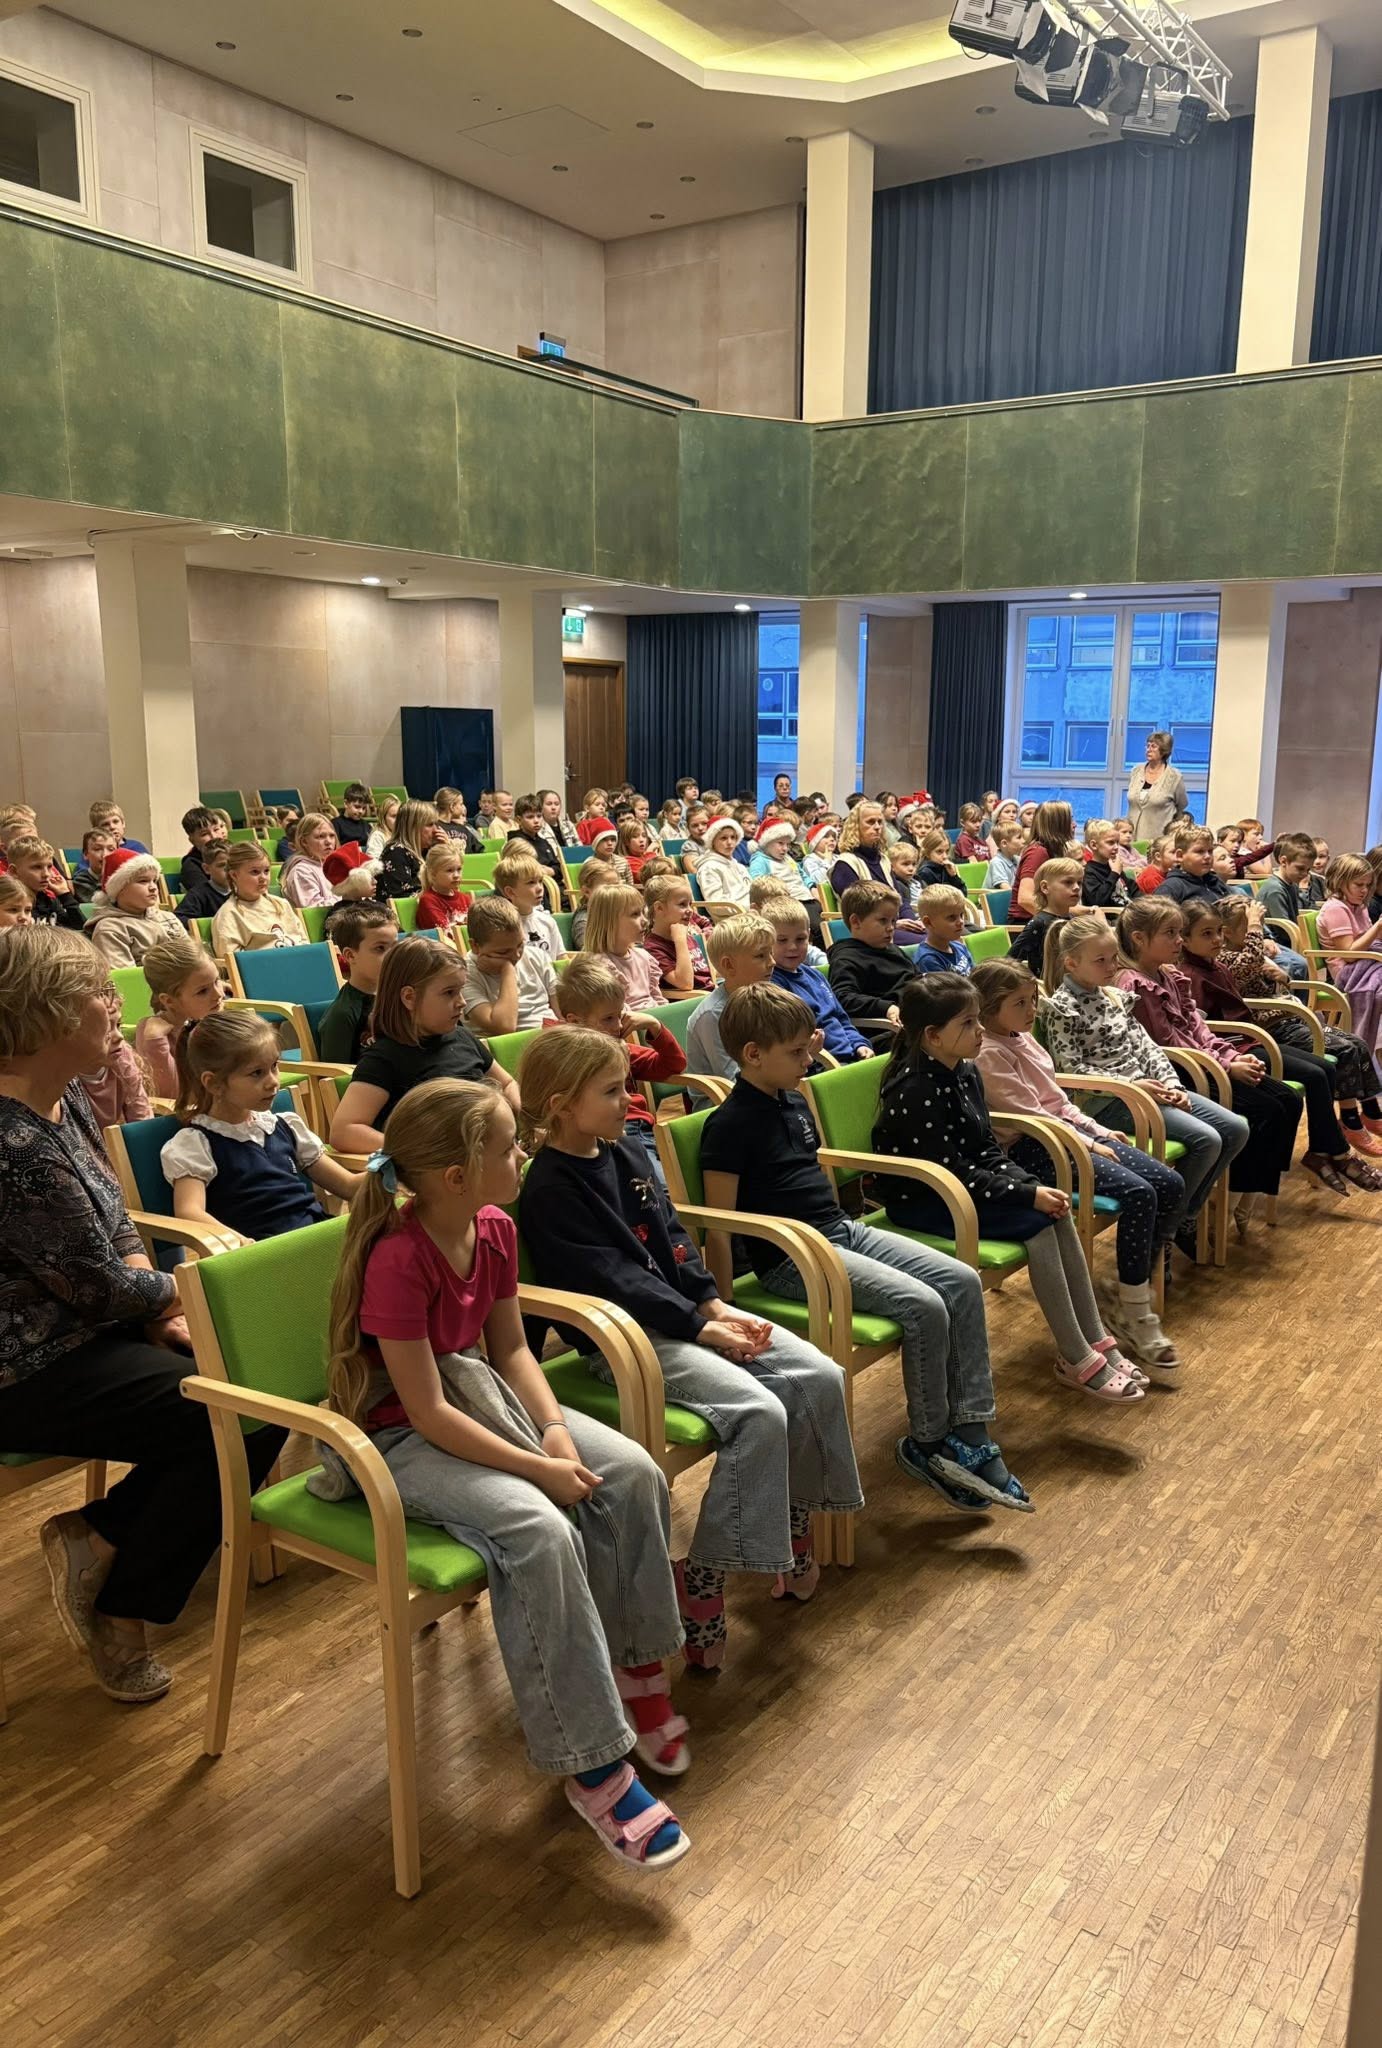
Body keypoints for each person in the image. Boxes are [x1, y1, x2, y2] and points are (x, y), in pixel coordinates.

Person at [318, 1076, 692, 1865]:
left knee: (632, 1473)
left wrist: (553, 1432)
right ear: (458, 1175)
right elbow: (425, 1413)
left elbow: (513, 1350)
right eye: (507, 1147)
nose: (522, 1153)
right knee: (539, 1529)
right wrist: (537, 1469)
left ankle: (636, 1668)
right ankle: (592, 1765)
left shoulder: (492, 1226)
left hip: (479, 1402)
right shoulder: (397, 1257)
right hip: (397, 1439)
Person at [518, 1026, 862, 1670]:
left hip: (683, 1319)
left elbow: (672, 1234)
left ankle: (788, 1521)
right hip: (625, 1342)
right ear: (561, 1105)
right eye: (612, 1091)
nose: (630, 1101)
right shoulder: (550, 1187)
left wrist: (714, 1304)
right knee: (758, 1412)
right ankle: (705, 1573)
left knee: (819, 1374)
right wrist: (701, 1327)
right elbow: (612, 1281)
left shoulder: (624, 1151)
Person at [0, 927, 285, 1702]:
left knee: (260, 1391)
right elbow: (94, 1287)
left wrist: (154, 1304)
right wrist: (173, 1295)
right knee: (231, 1412)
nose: (115, 1003)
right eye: (98, 993)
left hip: (91, 1325)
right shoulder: (11, 1144)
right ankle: (121, 1604)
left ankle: (99, 1540)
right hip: (27, 1364)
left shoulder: (62, 1094)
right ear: (48, 1015)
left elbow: (115, 1223)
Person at [702, 983, 1030, 1509]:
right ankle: (928, 1443)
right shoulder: (728, 1125)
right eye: (796, 1052)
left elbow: (816, 1184)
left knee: (962, 1280)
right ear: (753, 1055)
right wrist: (724, 1309)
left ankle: (970, 1428)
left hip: (839, 1231)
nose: (808, 1060)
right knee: (924, 1306)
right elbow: (718, 1226)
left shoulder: (793, 1101)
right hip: (794, 1259)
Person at [872, 974, 1143, 1404]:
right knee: (1037, 1223)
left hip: (963, 1187)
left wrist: (1030, 1186)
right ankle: (1075, 1356)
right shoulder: (915, 1089)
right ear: (933, 1036)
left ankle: (1097, 1338)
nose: (980, 1030)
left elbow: (985, 1148)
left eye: (978, 1019)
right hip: (928, 1198)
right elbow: (953, 1170)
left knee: (1055, 1212)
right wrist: (1025, 1195)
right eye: (967, 1023)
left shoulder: (964, 1070)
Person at [972, 959, 1184, 1375]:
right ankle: (1135, 1311)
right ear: (989, 1007)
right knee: (1140, 1193)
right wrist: (1089, 1142)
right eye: (1020, 1003)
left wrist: (1097, 1129)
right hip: (1034, 1148)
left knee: (1170, 1183)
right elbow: (1032, 1115)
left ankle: (1128, 1286)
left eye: (1033, 999)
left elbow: (1058, 1101)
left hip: (1065, 1134)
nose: (1033, 1010)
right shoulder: (988, 1054)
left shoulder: (1023, 1038)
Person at [1041, 915, 1246, 1257]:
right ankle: (1166, 1232)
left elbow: (1147, 1048)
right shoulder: (1062, 1008)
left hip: (1147, 1092)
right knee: (1207, 1140)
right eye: (1101, 961)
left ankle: (1180, 1217)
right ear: (1071, 963)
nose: (1112, 967)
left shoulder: (1114, 997)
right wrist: (1134, 1085)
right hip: (1109, 1102)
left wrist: (1170, 1082)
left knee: (1236, 1128)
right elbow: (1071, 1069)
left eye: (1113, 958)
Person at [1114, 897, 1301, 1237]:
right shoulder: (1133, 985)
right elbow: (1168, 1043)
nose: (1179, 941)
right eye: (1171, 933)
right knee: (1265, 1111)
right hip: (1179, 1071)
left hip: (1202, 1063)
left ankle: (1238, 1202)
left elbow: (1197, 1028)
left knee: (1286, 1098)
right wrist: (1226, 1066)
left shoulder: (1167, 974)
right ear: (1139, 939)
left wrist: (1230, 1056)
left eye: (1179, 932)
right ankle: (1207, 1213)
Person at [1179, 900, 1382, 1194]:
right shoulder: (1195, 971)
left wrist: (1279, 977)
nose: (1217, 939)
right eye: (1207, 934)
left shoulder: (1216, 964)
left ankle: (1326, 1148)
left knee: (1327, 1067)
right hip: (1242, 1040)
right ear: (1185, 940)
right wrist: (1255, 929)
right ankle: (1338, 1150)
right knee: (1315, 1074)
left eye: (1219, 932)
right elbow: (1201, 1025)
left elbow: (1259, 983)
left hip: (1254, 1035)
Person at [162, 1012, 361, 1244]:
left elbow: (347, 1185)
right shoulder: (196, 1144)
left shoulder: (285, 1127)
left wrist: (390, 1165)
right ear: (214, 1083)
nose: (273, 1081)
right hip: (263, 1252)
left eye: (274, 1066)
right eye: (257, 1073)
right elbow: (189, 1211)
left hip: (317, 1238)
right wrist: (239, 1242)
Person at [330, 936, 520, 1153]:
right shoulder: (384, 1058)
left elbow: (507, 1083)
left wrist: (517, 1113)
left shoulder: (461, 1036)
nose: (462, 1002)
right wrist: (421, 1150)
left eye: (461, 990)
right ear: (409, 997)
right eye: (449, 993)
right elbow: (344, 1131)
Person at [551, 955, 686, 1178]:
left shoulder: (622, 1048)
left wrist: (654, 1025)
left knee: (663, 1185)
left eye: (620, 1015)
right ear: (575, 1022)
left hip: (636, 1129)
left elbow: (674, 1065)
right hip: (594, 1137)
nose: (619, 1025)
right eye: (608, 1019)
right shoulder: (561, 1058)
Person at [766, 898, 870, 1061]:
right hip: (820, 1064)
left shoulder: (816, 976)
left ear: (809, 936)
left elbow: (842, 1019)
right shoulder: (772, 985)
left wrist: (860, 1044)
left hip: (852, 1055)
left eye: (800, 939)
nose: (792, 947)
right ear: (767, 940)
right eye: (782, 940)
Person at [685, 914, 775, 1080]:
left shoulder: (766, 996)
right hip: (726, 1094)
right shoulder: (713, 1015)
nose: (772, 962)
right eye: (760, 956)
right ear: (729, 965)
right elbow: (731, 1078)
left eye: (771, 953)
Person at [135, 935, 224, 1098]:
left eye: (217, 981)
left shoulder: (209, 1019)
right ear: (169, 1000)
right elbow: (172, 1095)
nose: (218, 994)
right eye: (203, 991)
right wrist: (155, 1042)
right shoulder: (152, 1035)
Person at [826, 882, 915, 1044]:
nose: (891, 928)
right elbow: (843, 997)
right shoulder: (846, 958)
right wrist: (886, 1007)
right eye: (883, 921)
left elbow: (916, 978)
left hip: (915, 1017)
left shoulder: (894, 950)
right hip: (887, 1031)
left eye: (893, 921)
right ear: (856, 922)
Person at [317, 902, 400, 1064]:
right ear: (350, 955)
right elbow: (336, 1074)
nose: (392, 956)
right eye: (380, 948)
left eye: (395, 947)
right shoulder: (343, 1014)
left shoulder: (402, 996)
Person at [463, 896, 559, 1034]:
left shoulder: (536, 956)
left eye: (520, 945)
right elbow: (505, 1026)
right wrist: (508, 970)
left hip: (551, 1037)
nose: (517, 955)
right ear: (475, 946)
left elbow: (561, 1013)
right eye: (503, 952)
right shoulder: (464, 975)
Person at [1317, 853, 1382, 1053]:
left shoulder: (1358, 905)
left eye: (1367, 885)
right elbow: (1349, 954)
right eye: (1358, 885)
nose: (1364, 890)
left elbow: (1370, 942)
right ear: (1340, 882)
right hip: (1348, 972)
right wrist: (1378, 926)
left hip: (1365, 963)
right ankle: (1374, 1051)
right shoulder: (1335, 909)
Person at [86, 851, 185, 967]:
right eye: (143, 881)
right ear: (119, 889)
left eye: (154, 881)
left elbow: (193, 960)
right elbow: (125, 975)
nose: (153, 887)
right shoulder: (110, 929)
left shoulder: (168, 917)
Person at [212, 843, 309, 958]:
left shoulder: (282, 904)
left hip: (297, 961)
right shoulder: (228, 914)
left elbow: (304, 942)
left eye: (266, 871)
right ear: (234, 875)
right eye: (255, 872)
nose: (263, 878)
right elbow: (231, 960)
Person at [77, 979, 152, 1129]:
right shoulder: (66, 1074)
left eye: (118, 1025)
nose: (119, 1036)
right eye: (105, 1029)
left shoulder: (122, 1055)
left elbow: (142, 1120)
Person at [580, 882, 662, 1010]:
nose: (645, 921)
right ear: (609, 922)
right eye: (635, 914)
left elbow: (657, 999)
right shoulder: (599, 966)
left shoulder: (644, 957)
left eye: (642, 912)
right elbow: (612, 1015)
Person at [643, 872, 712, 996]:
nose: (690, 910)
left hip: (711, 993)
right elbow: (686, 984)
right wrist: (680, 941)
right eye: (682, 904)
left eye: (690, 904)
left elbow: (710, 975)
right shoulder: (653, 947)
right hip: (693, 1000)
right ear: (659, 908)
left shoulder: (687, 935)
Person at [1009, 857, 1084, 971]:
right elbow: (1010, 961)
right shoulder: (1038, 924)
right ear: (1045, 887)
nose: (1077, 887)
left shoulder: (1072, 919)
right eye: (1068, 882)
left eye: (1079, 882)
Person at [493, 849, 567, 963]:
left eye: (540, 881)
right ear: (510, 892)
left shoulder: (548, 921)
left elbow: (561, 958)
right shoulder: (502, 927)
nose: (540, 888)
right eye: (531, 882)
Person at [1011, 801, 1075, 925]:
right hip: (1027, 925)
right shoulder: (1037, 853)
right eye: (1070, 820)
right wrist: (1059, 922)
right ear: (1058, 824)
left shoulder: (1051, 851)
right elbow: (1025, 899)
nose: (1074, 824)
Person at [4, 833, 84, 930]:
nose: (46, 874)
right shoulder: (6, 903)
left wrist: (65, 894)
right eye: (37, 867)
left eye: (49, 867)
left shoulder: (48, 900)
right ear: (14, 871)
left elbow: (79, 928)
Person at [508, 794, 574, 906]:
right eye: (530, 817)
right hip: (536, 890)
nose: (536, 821)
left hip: (554, 887)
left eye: (539, 816)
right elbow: (523, 871)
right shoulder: (516, 842)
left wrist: (551, 871)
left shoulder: (543, 841)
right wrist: (541, 872)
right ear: (519, 820)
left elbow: (558, 866)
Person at [1125, 732, 1189, 843]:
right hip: (1131, 839)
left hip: (1158, 840)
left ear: (1164, 750)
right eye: (1147, 746)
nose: (1148, 750)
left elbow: (1182, 805)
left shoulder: (1174, 776)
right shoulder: (1136, 771)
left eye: (1153, 746)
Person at [377, 800, 446, 902]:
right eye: (430, 824)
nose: (436, 830)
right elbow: (403, 898)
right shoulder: (395, 853)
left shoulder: (429, 851)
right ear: (413, 827)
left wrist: (445, 850)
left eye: (436, 824)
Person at [911, 885, 976, 977]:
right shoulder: (928, 960)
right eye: (951, 917)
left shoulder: (960, 947)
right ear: (928, 922)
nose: (961, 921)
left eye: (961, 915)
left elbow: (975, 977)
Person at [831, 800, 891, 900]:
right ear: (856, 826)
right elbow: (859, 904)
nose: (877, 827)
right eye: (870, 822)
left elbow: (900, 897)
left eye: (880, 822)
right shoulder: (845, 864)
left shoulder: (884, 860)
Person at [279, 814, 340, 910]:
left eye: (332, 836)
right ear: (304, 842)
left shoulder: (335, 865)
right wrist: (348, 897)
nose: (329, 841)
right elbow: (314, 910)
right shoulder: (301, 871)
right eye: (321, 836)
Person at [695, 818, 752, 910]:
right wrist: (749, 908)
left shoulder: (739, 867)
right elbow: (716, 905)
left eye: (733, 837)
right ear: (712, 841)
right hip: (735, 916)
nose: (729, 842)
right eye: (723, 838)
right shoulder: (709, 868)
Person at [416, 841, 472, 934]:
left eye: (459, 869)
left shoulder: (465, 898)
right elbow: (445, 935)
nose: (456, 875)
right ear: (433, 874)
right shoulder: (428, 901)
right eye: (449, 870)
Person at [177, 805, 230, 896]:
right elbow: (206, 897)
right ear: (192, 840)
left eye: (216, 829)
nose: (214, 836)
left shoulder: (235, 854)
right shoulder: (191, 866)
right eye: (204, 834)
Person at [1081, 820, 1131, 911]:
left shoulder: (1113, 866)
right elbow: (1097, 901)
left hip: (1130, 911)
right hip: (1112, 916)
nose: (1116, 847)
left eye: (1117, 842)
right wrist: (1114, 873)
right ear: (1094, 845)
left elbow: (1133, 889)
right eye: (1111, 843)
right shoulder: (1089, 872)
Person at [569, 857, 618, 948]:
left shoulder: (618, 913)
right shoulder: (584, 921)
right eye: (607, 887)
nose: (615, 891)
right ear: (587, 891)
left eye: (616, 885)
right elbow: (587, 950)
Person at [72, 827, 118, 904]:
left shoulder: (122, 876)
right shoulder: (80, 880)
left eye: (111, 849)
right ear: (86, 854)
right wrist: (104, 877)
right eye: (97, 849)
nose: (105, 855)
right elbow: (100, 904)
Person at [433, 787, 484, 853]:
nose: (463, 807)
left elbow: (480, 850)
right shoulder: (435, 828)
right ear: (452, 807)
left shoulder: (462, 828)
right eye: (461, 804)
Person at [986, 820, 1025, 892]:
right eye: (1019, 837)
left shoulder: (1017, 859)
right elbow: (1005, 888)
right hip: (996, 898)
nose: (1023, 841)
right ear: (1004, 843)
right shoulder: (997, 862)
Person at [332, 783, 375, 851]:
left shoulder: (366, 825)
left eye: (364, 808)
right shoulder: (336, 824)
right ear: (346, 803)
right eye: (357, 807)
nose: (361, 811)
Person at [616, 817, 657, 885]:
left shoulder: (645, 857)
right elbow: (650, 876)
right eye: (635, 836)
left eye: (644, 836)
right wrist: (649, 852)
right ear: (626, 841)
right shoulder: (627, 862)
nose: (641, 840)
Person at [802, 823, 837, 891]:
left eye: (834, 837)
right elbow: (817, 880)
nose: (832, 839)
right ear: (815, 842)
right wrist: (827, 861)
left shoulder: (838, 857)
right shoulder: (810, 860)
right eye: (826, 837)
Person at [364, 794, 400, 860]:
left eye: (400, 816)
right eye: (393, 816)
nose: (398, 820)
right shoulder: (378, 836)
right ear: (383, 818)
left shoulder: (402, 834)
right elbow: (373, 862)